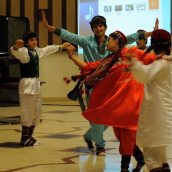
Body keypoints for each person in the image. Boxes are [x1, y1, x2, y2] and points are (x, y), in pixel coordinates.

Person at [41, 11, 152, 156]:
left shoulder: (113, 41)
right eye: (95, 27)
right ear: (92, 29)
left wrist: (154, 33)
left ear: (105, 27)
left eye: (101, 26)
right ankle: (100, 145)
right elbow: (68, 35)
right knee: (96, 114)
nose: (98, 29)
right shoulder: (87, 42)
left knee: (112, 114)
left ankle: (90, 134)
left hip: (112, 85)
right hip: (93, 85)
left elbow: (133, 36)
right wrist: (48, 26)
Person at [64, 30, 158, 172]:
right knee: (120, 134)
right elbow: (89, 67)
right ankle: (140, 158)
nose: (107, 42)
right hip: (117, 103)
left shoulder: (130, 51)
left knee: (126, 134)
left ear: (116, 41)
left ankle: (124, 167)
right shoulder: (109, 59)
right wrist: (72, 57)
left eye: (110, 40)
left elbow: (149, 58)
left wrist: (163, 58)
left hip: (131, 102)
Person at [11, 31, 69, 146]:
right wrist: (16, 47)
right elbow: (15, 51)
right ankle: (24, 139)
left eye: (36, 40)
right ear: (27, 42)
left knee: (37, 112)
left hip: (36, 85)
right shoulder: (24, 52)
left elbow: (47, 49)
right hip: (27, 85)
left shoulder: (37, 51)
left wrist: (61, 46)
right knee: (27, 112)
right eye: (32, 40)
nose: (35, 42)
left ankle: (30, 137)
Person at [126, 29, 172, 172]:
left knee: (152, 155)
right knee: (161, 154)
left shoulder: (162, 64)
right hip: (166, 116)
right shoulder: (167, 62)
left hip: (156, 115)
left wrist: (132, 62)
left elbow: (145, 75)